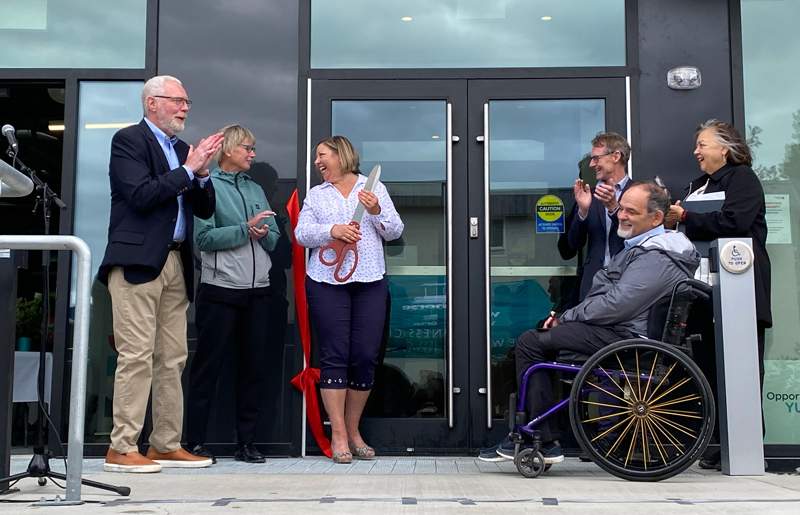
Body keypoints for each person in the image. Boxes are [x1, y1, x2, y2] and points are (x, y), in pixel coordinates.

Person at [480, 181, 700, 464]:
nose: (621, 215)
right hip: (620, 332)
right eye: (621, 208)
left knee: (531, 342)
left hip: (626, 339)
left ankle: (540, 440)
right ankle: (536, 435)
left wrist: (567, 318)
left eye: (631, 211)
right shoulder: (650, 249)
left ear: (656, 218)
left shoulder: (657, 255)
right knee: (538, 336)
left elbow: (619, 303)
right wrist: (563, 318)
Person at [98, 75, 222, 473]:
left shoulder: (184, 150)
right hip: (137, 263)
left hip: (176, 263)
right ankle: (121, 447)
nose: (185, 107)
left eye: (187, 101)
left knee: (172, 358)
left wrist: (201, 175)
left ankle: (165, 444)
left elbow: (203, 210)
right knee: (136, 355)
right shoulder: (129, 141)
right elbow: (141, 195)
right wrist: (188, 170)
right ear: (152, 103)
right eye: (177, 100)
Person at [665, 119, 772, 470]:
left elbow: (736, 223)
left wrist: (686, 217)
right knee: (709, 367)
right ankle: (721, 443)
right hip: (706, 292)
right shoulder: (698, 185)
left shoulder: (742, 179)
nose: (696, 151)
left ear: (724, 149)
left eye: (702, 145)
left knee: (742, 370)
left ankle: (747, 446)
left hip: (739, 291)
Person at [294, 136, 404, 464]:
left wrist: (376, 210)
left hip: (370, 281)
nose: (317, 162)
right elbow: (301, 234)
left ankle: (354, 430)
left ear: (341, 156)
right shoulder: (317, 194)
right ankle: (338, 433)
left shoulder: (374, 189)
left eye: (321, 155)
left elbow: (395, 231)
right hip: (327, 283)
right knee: (334, 356)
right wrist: (333, 230)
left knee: (365, 355)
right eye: (316, 157)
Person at [185, 125, 280, 464]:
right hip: (220, 290)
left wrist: (264, 232)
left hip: (258, 292)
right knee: (208, 368)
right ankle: (193, 441)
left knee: (253, 370)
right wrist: (245, 229)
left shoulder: (255, 187)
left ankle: (247, 444)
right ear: (227, 150)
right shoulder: (207, 185)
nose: (253, 154)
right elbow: (203, 239)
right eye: (247, 148)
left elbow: (274, 237)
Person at [562, 132, 633, 301]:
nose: (592, 164)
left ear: (616, 156)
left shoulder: (641, 192)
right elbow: (569, 248)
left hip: (629, 285)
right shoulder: (588, 196)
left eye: (597, 158)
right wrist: (583, 212)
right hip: (592, 288)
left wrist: (614, 208)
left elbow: (642, 235)